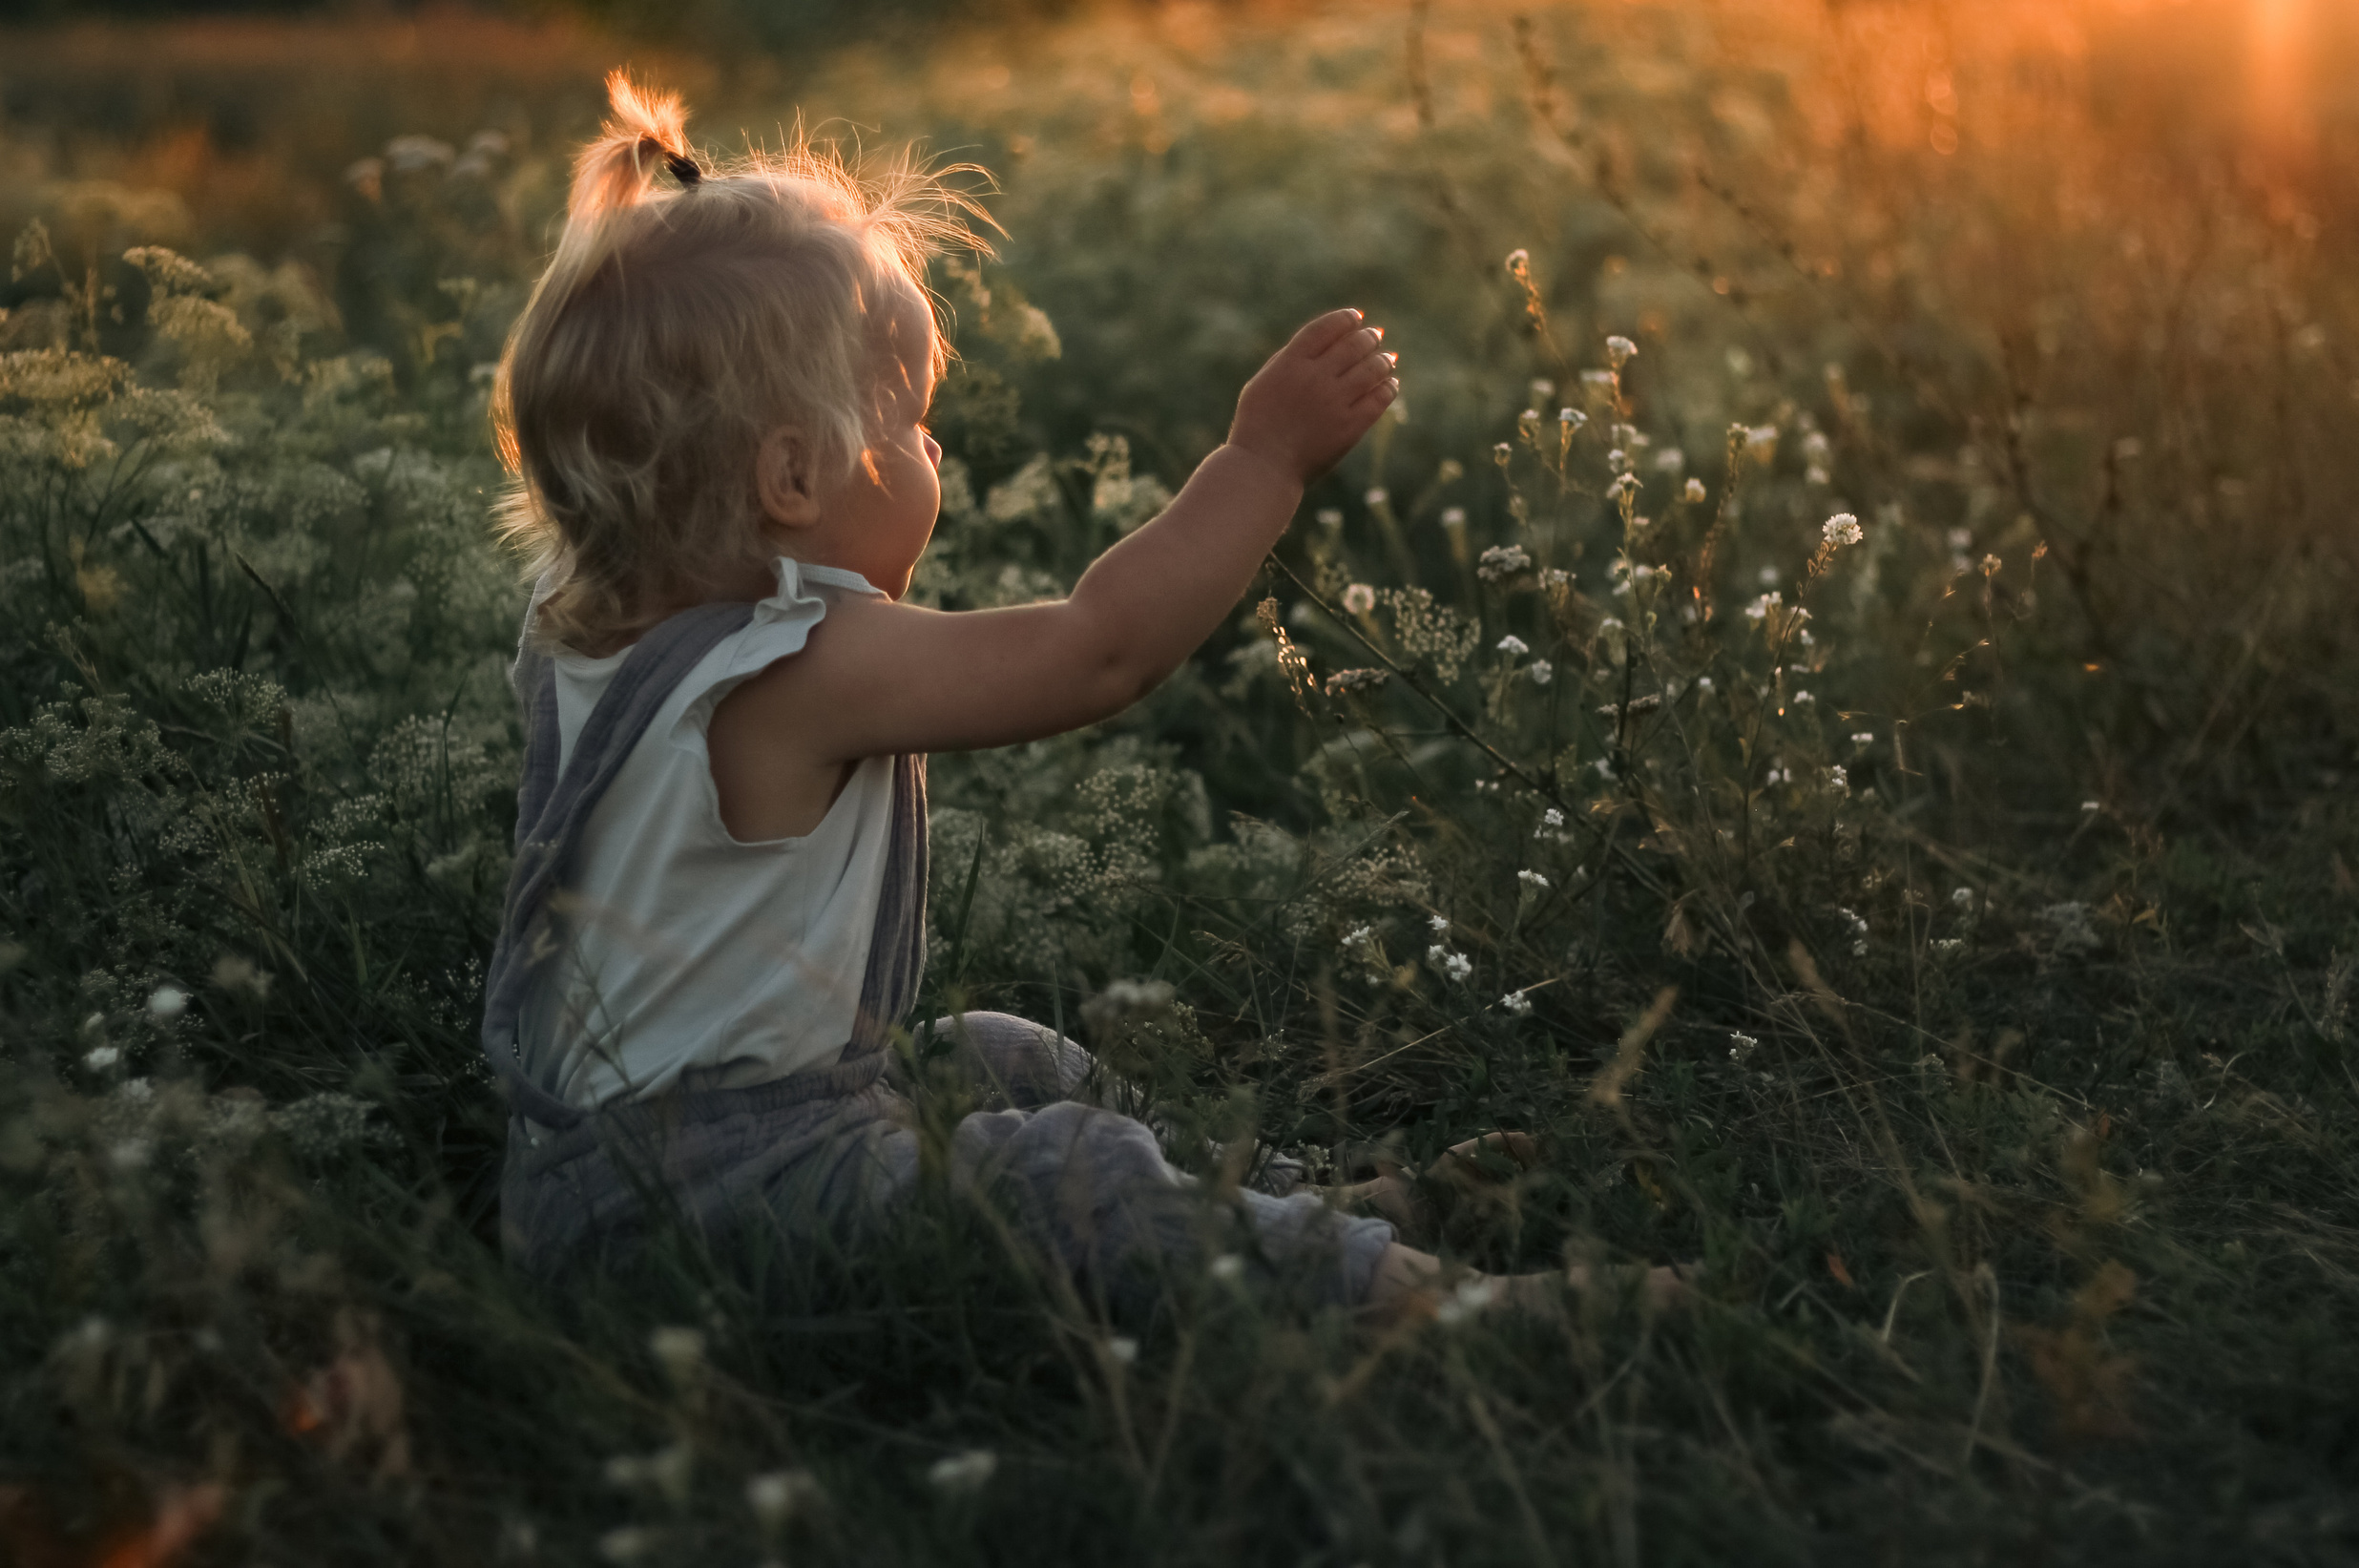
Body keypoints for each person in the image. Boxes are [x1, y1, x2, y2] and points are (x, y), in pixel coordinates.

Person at [481, 72, 1678, 1319]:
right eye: (910, 422)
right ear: (792, 475)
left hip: (596, 1185)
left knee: (990, 1056)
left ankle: (1292, 1209)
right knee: (1071, 1175)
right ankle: (1446, 1310)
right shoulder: (797, 666)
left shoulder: (601, 642)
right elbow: (1100, 649)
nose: (933, 449)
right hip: (720, 1205)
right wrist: (1259, 461)